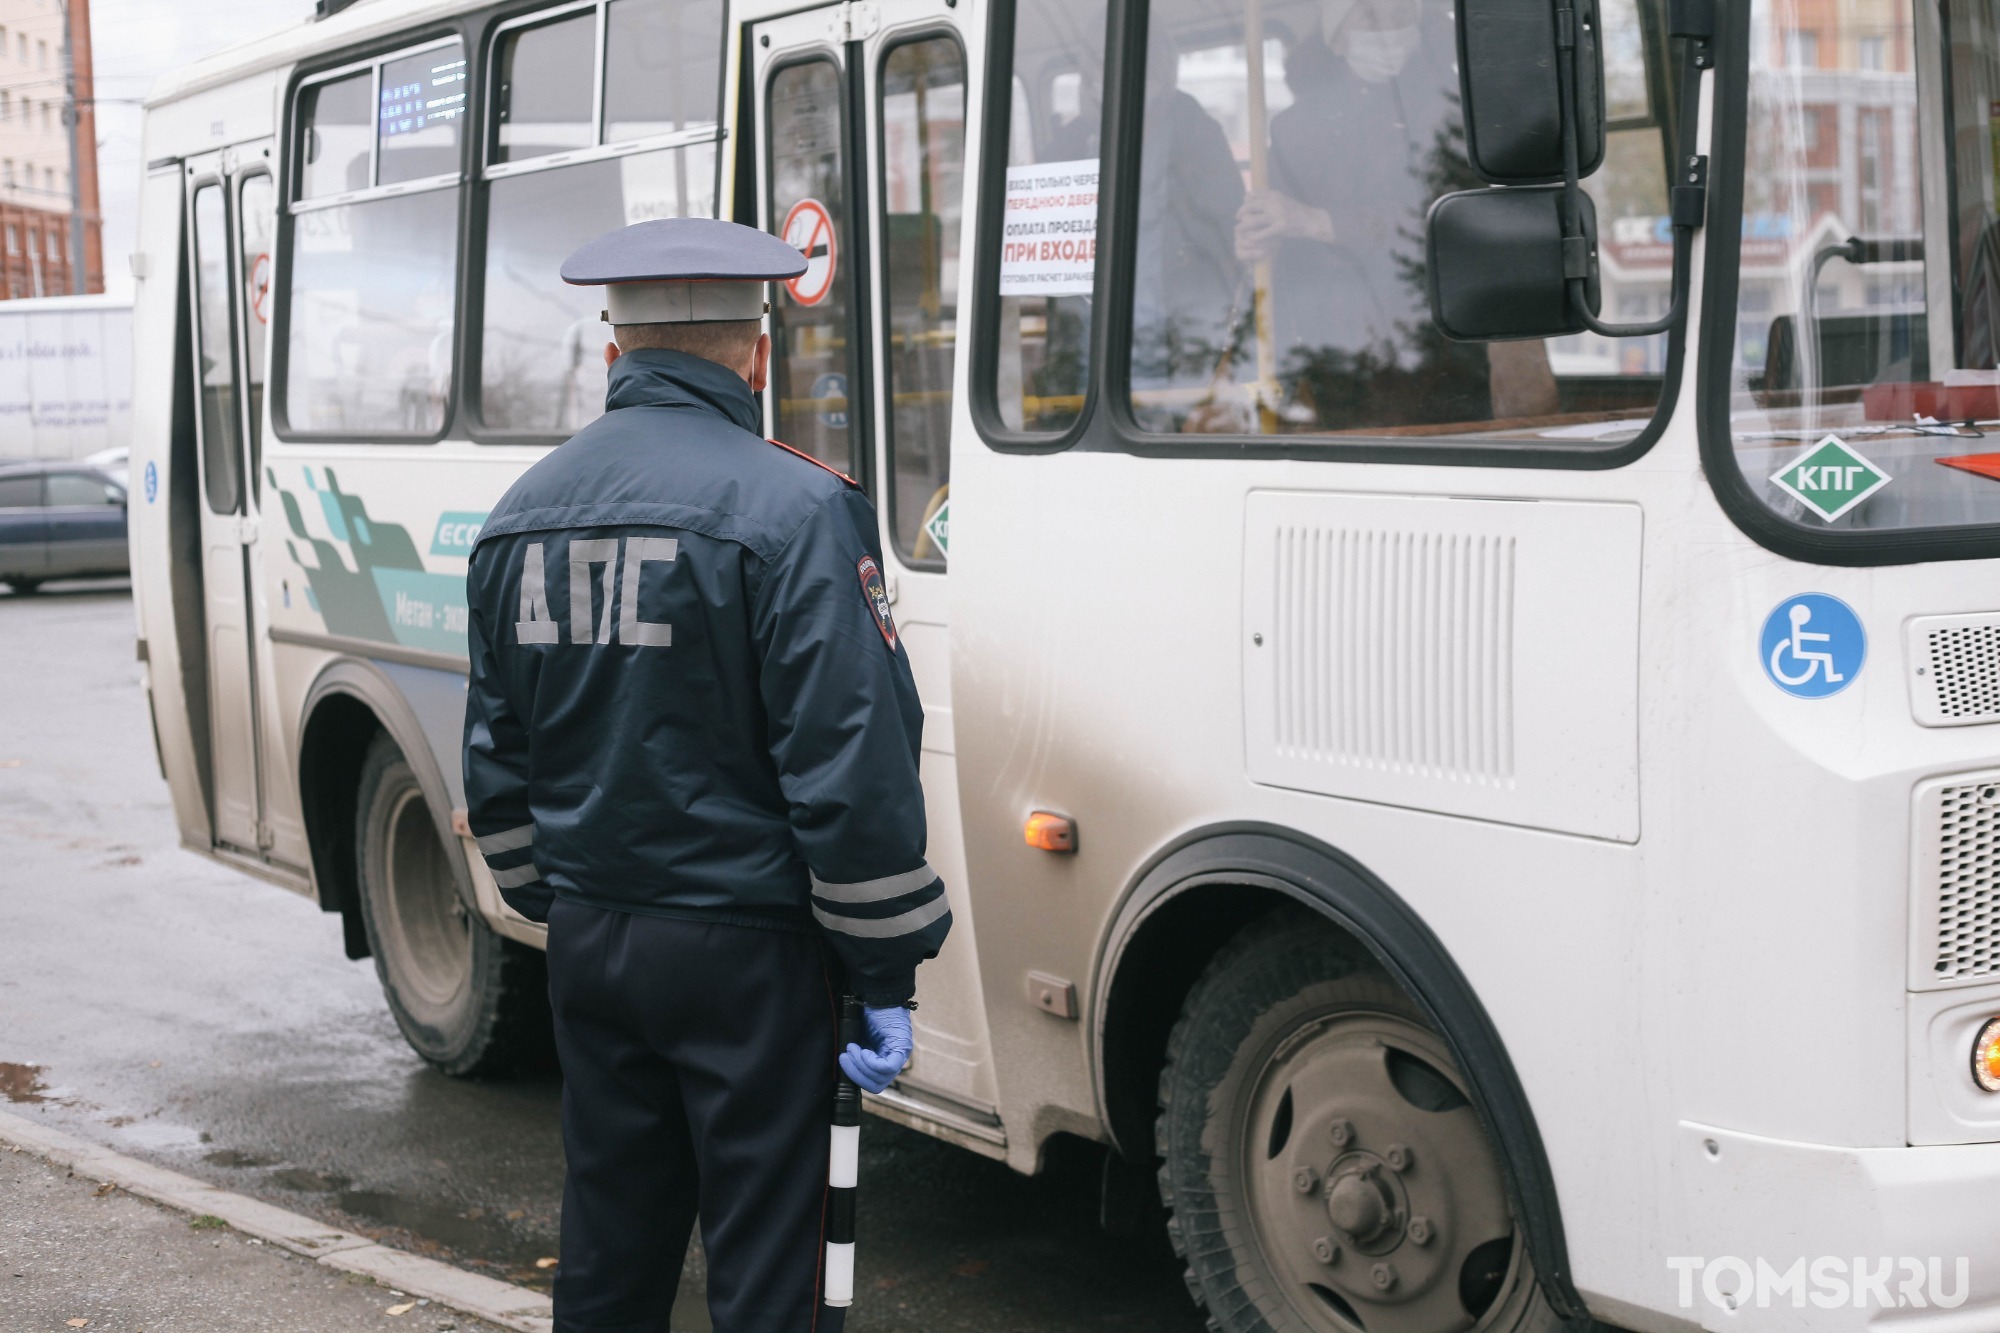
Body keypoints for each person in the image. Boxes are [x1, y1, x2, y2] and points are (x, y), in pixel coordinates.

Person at [461, 216, 952, 1333]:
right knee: (770, 1262)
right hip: (753, 951)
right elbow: (850, 763)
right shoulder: (798, 510)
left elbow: (496, 763)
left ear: (611, 357)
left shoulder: (516, 519)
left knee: (609, 1244)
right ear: (758, 354)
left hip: (593, 940)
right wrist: (881, 970)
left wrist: (575, 904)